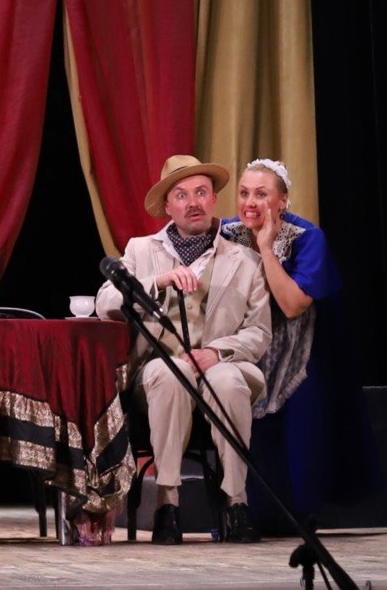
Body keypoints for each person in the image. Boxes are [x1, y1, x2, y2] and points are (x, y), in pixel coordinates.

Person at [96, 155, 271, 545]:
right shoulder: (141, 250)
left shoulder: (245, 261)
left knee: (227, 381)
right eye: (181, 195)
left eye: (201, 192)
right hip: (159, 370)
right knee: (168, 374)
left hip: (221, 366)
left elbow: (259, 333)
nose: (193, 202)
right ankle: (167, 503)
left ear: (213, 199)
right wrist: (156, 282)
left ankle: (236, 502)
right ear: (167, 206)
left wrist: (217, 352)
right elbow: (105, 302)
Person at [221, 158, 377, 531]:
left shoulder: (307, 237)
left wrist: (266, 249)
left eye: (262, 194)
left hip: (300, 350)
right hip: (249, 345)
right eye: (244, 193)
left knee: (300, 431)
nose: (250, 203)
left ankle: (298, 513)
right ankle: (245, 512)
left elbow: (292, 305)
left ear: (283, 201)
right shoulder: (225, 233)